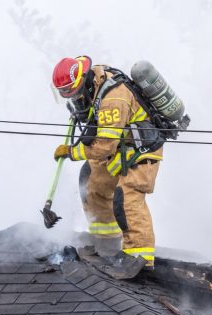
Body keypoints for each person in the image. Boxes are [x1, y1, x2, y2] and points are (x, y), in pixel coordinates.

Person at [51, 55, 163, 278]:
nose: (70, 97)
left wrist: (72, 152)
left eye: (71, 92)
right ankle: (107, 243)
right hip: (120, 150)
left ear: (81, 80)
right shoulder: (93, 84)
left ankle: (140, 257)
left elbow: (104, 147)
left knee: (127, 196)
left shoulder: (114, 99)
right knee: (91, 182)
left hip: (141, 152)